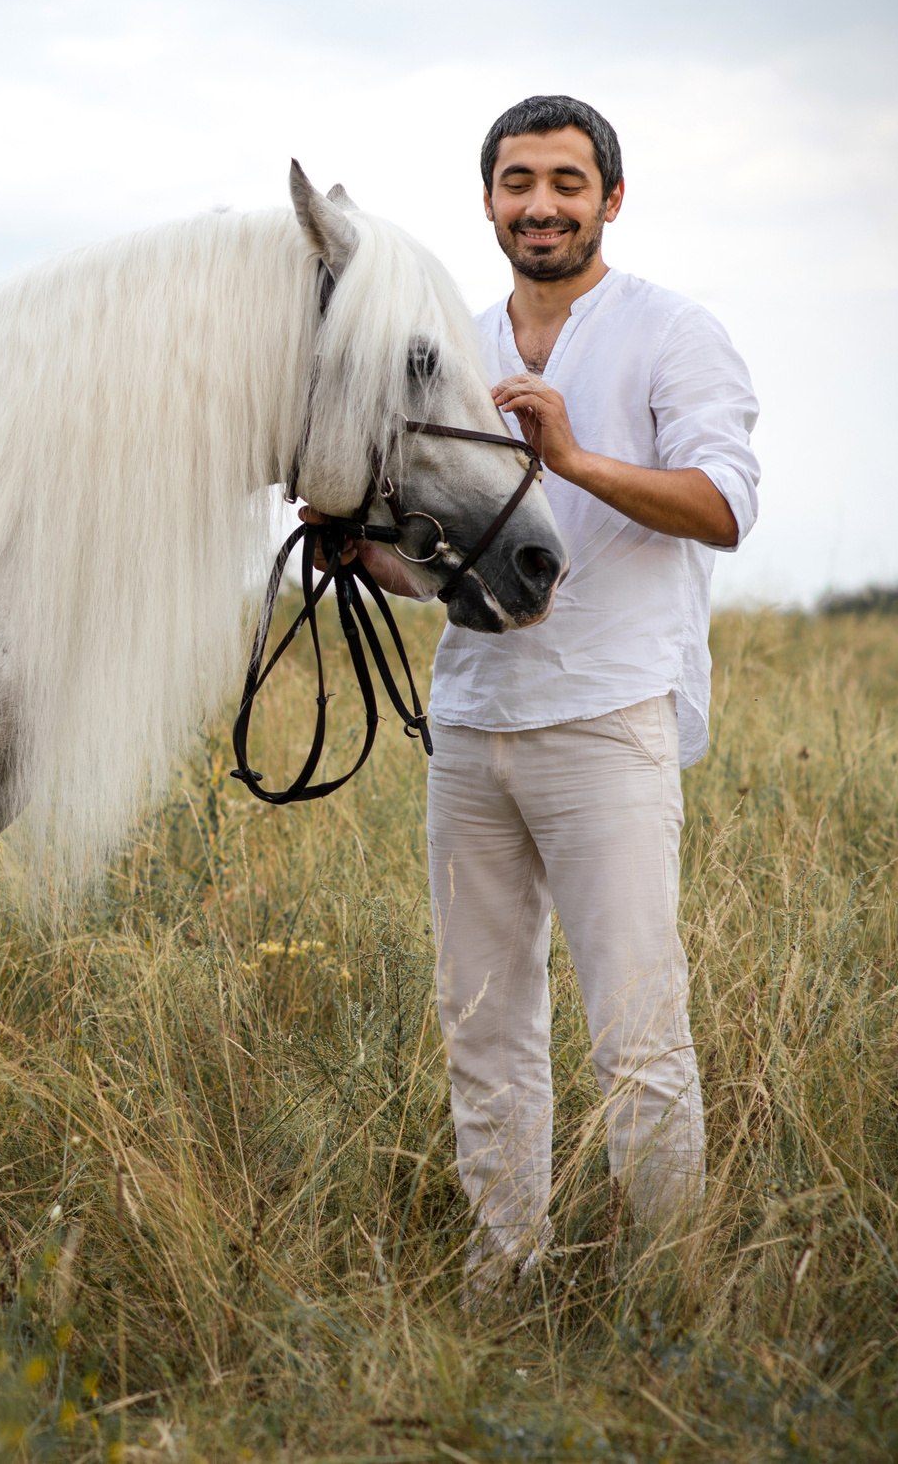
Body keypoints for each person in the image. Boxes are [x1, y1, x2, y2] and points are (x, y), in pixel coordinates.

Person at [338, 95, 760, 1297]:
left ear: (609, 200)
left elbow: (724, 506)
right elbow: (441, 564)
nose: (541, 204)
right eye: (517, 181)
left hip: (608, 715)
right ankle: (503, 1262)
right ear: (486, 202)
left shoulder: (673, 333)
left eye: (567, 182)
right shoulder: (454, 347)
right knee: (480, 1019)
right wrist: (356, 548)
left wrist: (572, 459)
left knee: (635, 1029)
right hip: (470, 723)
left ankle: (670, 1284)